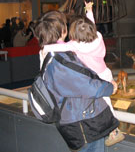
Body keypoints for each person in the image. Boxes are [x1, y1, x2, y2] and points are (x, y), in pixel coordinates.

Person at [34, 10, 119, 152]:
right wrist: (110, 87)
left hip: (74, 118)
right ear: (63, 30)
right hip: (83, 123)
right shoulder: (60, 58)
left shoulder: (47, 53)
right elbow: (86, 86)